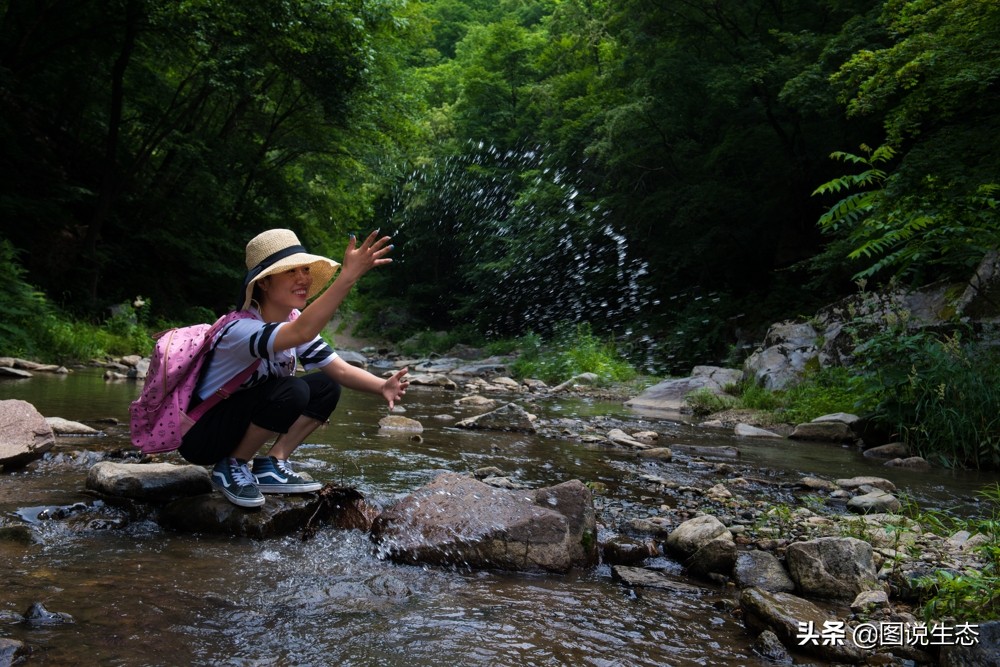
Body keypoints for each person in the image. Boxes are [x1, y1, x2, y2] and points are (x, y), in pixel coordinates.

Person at [177, 228, 409, 508]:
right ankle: (232, 466)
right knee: (293, 389)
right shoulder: (241, 329)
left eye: (305, 269)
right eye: (290, 271)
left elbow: (341, 371)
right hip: (202, 436)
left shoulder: (291, 320)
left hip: (235, 421)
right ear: (263, 282)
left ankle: (271, 464)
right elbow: (301, 332)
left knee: (325, 387)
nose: (304, 279)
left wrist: (382, 386)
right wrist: (347, 277)